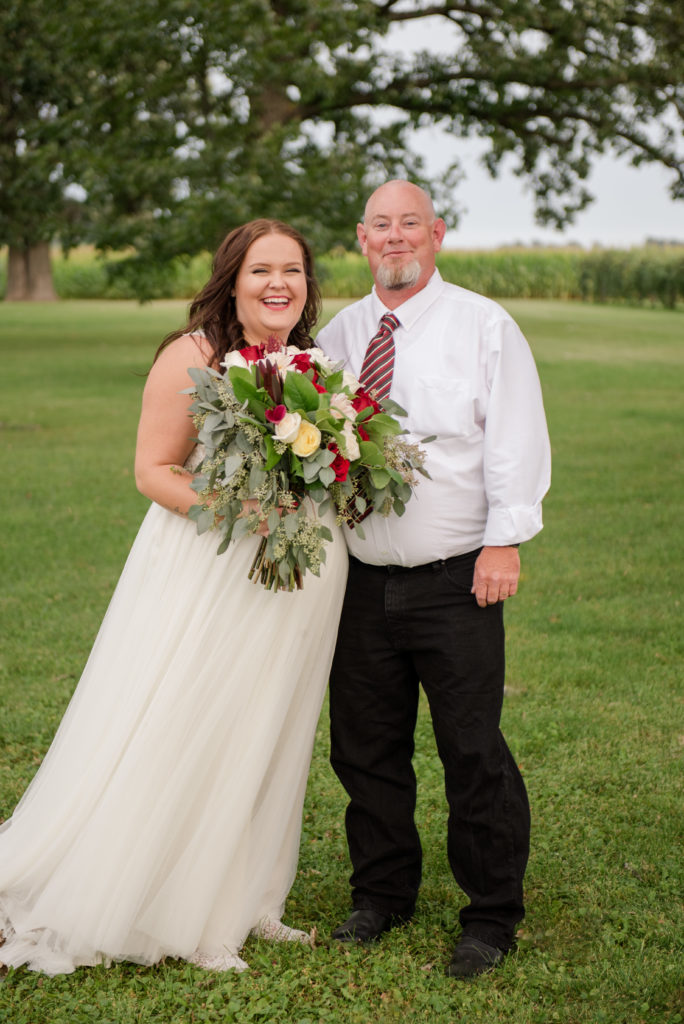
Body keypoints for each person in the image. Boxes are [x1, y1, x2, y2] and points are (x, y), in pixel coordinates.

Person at [0, 219, 348, 976]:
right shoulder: (191, 356)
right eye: (261, 270)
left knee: (269, 731)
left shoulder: (311, 364)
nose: (279, 284)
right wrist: (247, 514)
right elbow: (153, 472)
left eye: (293, 270)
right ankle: (183, 914)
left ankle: (249, 900)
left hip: (294, 580)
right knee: (197, 725)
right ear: (231, 279)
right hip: (210, 574)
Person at [316, 181, 551, 979]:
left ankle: (490, 914)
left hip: (458, 577)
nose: (394, 237)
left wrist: (505, 539)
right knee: (365, 749)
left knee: (471, 748)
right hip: (358, 584)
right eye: (380, 225)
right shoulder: (339, 335)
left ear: (436, 235)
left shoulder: (483, 326)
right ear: (362, 239)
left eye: (408, 223)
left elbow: (515, 437)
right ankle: (381, 895)